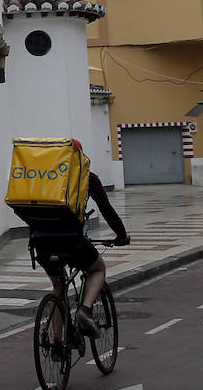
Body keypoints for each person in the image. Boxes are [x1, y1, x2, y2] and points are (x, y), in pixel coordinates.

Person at [30, 140, 130, 338]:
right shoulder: (87, 177)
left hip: (40, 242)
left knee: (58, 286)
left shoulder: (43, 177)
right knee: (98, 268)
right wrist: (121, 235)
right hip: (71, 241)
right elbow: (106, 208)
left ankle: (57, 342)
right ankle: (84, 310)